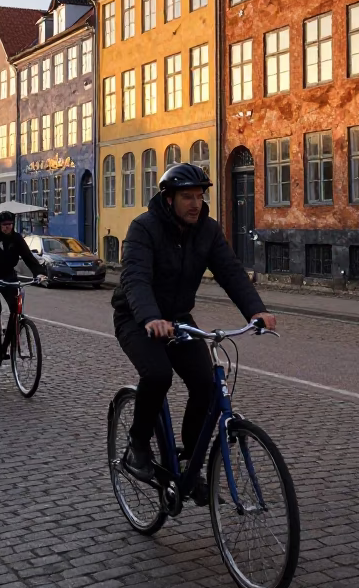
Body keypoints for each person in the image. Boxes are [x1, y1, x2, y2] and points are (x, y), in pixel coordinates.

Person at [113, 163, 276, 490]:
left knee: (206, 384)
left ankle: (191, 461)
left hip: (178, 319)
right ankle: (138, 446)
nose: (195, 204)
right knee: (158, 375)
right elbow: (136, 279)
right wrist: (150, 318)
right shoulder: (144, 228)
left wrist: (256, 311)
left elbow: (230, 272)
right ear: (169, 198)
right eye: (187, 197)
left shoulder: (208, 230)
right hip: (136, 316)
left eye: (200, 196)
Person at [0, 211, 46, 361]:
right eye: (4, 225)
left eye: (10, 225)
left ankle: (7, 341)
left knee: (16, 308)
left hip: (8, 276)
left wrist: (39, 273)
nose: (8, 228)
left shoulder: (16, 238)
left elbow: (28, 257)